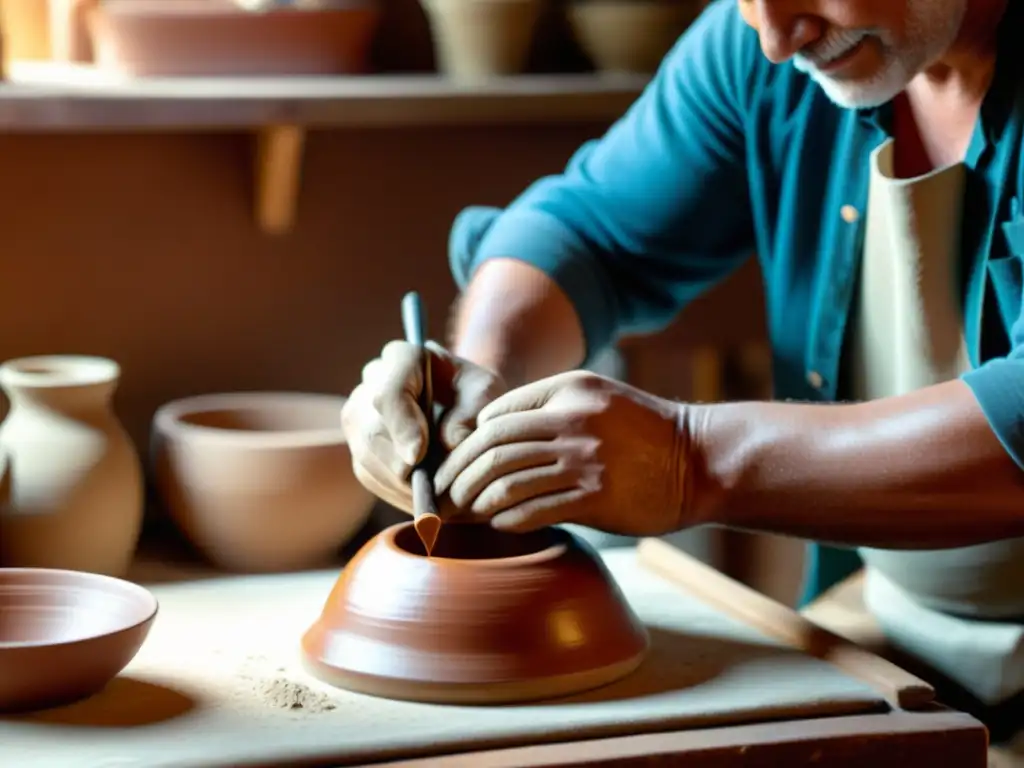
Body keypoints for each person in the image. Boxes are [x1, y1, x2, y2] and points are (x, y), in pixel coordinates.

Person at [342, 0, 1024, 709]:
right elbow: (588, 232)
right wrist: (479, 379)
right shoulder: (769, 47)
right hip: (893, 627)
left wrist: (690, 460)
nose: (772, 39)